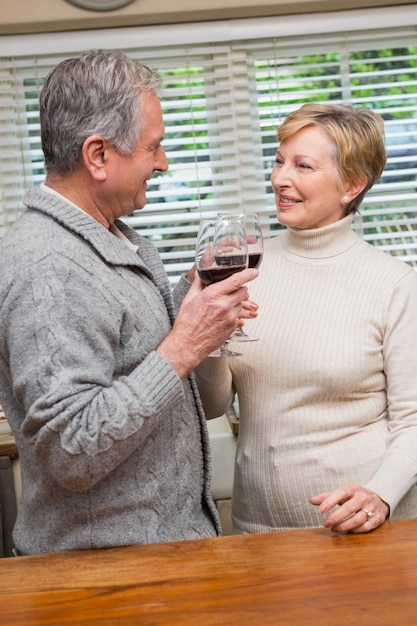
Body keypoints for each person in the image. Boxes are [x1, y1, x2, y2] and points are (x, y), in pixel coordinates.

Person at [0, 49, 258, 555]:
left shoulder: (113, 239)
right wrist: (185, 344)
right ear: (98, 155)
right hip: (107, 574)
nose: (162, 164)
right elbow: (72, 449)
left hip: (158, 557)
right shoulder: (49, 267)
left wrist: (193, 293)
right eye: (152, 148)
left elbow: (132, 353)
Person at [176, 102, 417, 535]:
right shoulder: (245, 271)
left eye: (303, 166)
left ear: (352, 186)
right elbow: (212, 406)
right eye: (278, 161)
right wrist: (210, 336)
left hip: (368, 533)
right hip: (259, 532)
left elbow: (413, 421)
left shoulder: (395, 285)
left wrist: (379, 493)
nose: (279, 178)